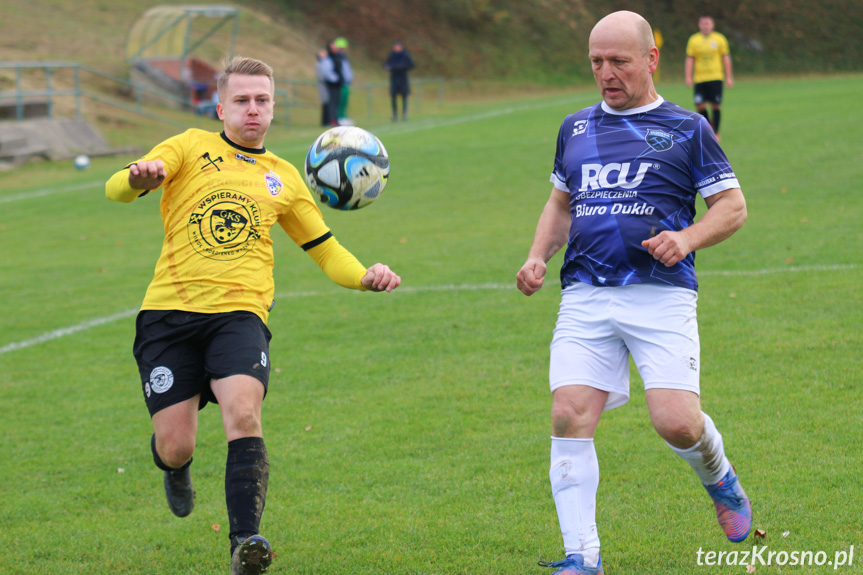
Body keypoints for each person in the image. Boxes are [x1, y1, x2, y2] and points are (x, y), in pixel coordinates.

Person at [105, 56, 401, 575]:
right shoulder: (188, 146)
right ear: (221, 106)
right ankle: (174, 468)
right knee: (175, 446)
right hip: (168, 315)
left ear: (272, 107)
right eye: (241, 100)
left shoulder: (283, 178)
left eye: (261, 100)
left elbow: (326, 250)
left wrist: (365, 275)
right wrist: (137, 176)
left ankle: (246, 541)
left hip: (239, 315)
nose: (252, 110)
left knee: (243, 412)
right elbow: (117, 188)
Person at [516, 11, 750, 575]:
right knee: (569, 415)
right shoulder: (573, 128)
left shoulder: (688, 128)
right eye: (596, 62)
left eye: (619, 61)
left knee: (678, 423)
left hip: (661, 296)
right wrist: (535, 257)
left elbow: (733, 207)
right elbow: (560, 204)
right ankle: (583, 558)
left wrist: (687, 236)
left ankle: (719, 476)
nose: (606, 73)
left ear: (651, 59)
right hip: (585, 297)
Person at [685, 15, 734, 141]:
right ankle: (708, 127)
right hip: (700, 78)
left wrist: (729, 76)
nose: (705, 26)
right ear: (699, 25)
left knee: (715, 105)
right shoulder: (694, 40)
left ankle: (716, 132)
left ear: (712, 25)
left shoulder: (719, 39)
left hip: (716, 77)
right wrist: (688, 76)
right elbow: (690, 59)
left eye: (708, 23)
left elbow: (725, 57)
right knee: (700, 105)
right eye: (703, 23)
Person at [384, 40, 415, 121]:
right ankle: (395, 115)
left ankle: (404, 115)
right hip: (394, 79)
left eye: (398, 46)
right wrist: (391, 67)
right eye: (395, 46)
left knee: (404, 96)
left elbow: (411, 65)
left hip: (403, 79)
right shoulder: (392, 55)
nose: (396, 48)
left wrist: (402, 67)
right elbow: (386, 65)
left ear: (401, 47)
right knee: (393, 97)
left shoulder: (405, 55)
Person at [333, 37, 354, 125]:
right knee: (340, 101)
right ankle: (339, 117)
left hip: (346, 83)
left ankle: (343, 116)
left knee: (345, 101)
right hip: (340, 84)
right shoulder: (337, 58)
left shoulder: (344, 58)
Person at [324, 40, 344, 126]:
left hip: (338, 85)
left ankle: (336, 119)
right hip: (332, 85)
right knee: (332, 103)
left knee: (337, 103)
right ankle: (332, 120)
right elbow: (328, 72)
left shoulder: (338, 57)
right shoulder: (329, 58)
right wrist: (335, 79)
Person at [315, 48, 336, 126]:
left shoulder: (321, 63)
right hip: (323, 84)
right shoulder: (319, 64)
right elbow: (324, 75)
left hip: (325, 84)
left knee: (327, 102)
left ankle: (327, 121)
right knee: (326, 102)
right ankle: (326, 121)